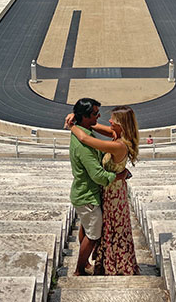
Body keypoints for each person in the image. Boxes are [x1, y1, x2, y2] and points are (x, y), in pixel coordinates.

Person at [66, 105, 140, 276]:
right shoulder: (119, 134)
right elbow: (91, 125)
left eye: (113, 120)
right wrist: (76, 116)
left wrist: (71, 126)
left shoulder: (119, 146)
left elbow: (85, 138)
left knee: (109, 229)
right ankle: (96, 262)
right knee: (95, 227)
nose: (109, 121)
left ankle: (106, 264)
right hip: (110, 190)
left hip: (113, 195)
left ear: (121, 124)